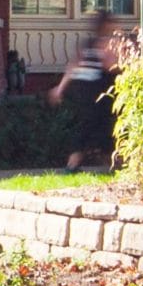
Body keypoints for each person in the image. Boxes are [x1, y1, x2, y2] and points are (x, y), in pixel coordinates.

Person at [49, 9, 120, 171]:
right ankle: (75, 163)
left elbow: (73, 66)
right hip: (95, 89)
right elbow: (110, 65)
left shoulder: (88, 43)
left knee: (87, 124)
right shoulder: (106, 43)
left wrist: (60, 89)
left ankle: (81, 160)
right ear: (106, 24)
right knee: (97, 124)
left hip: (79, 88)